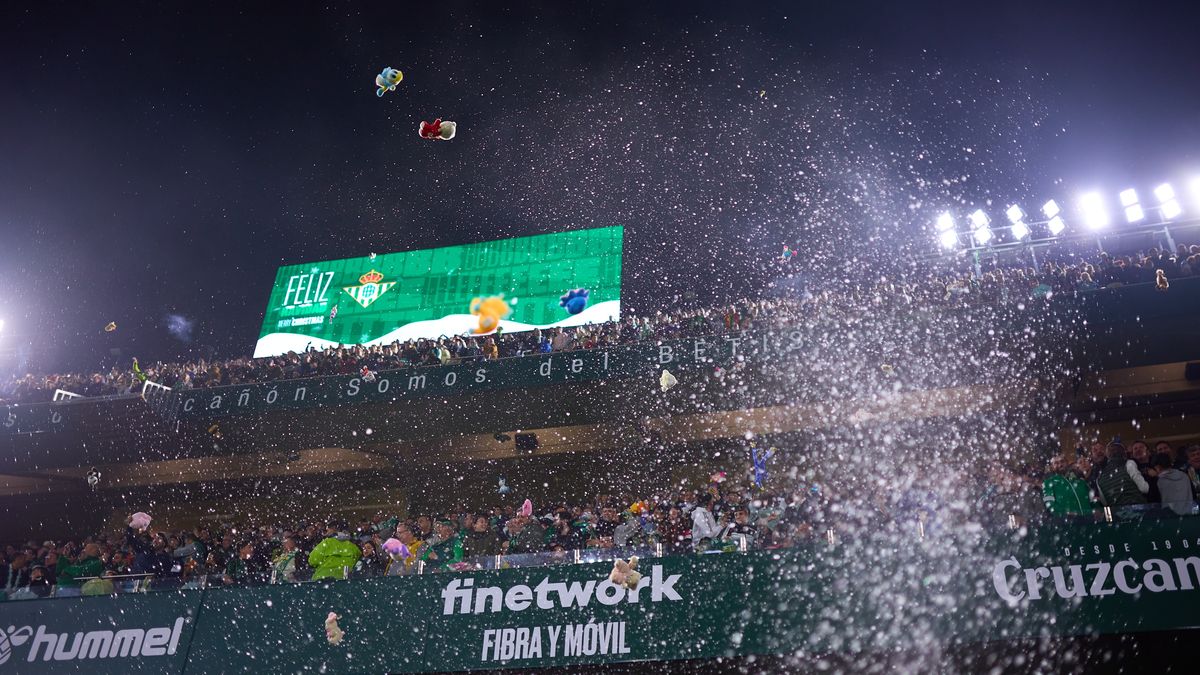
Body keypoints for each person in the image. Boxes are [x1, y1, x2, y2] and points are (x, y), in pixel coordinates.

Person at [1094, 441, 1150, 508]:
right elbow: (1144, 488)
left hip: (1118, 516)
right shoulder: (1129, 464)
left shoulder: (1099, 479)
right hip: (1138, 511)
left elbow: (1105, 502)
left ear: (1108, 455)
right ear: (1124, 452)